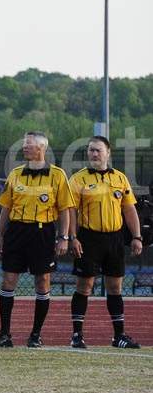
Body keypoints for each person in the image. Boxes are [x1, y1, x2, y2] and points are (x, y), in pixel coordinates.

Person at [0, 131, 75, 349]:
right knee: (8, 281)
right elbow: (6, 208)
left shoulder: (57, 175)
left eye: (29, 144)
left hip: (42, 232)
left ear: (41, 148)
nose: (24, 148)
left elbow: (65, 209)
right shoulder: (15, 174)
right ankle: (5, 334)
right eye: (24, 144)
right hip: (16, 232)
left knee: (42, 282)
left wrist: (63, 237)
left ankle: (36, 334)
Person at [68, 136, 143, 349]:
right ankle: (77, 335)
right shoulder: (78, 179)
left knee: (115, 286)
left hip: (114, 238)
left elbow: (129, 208)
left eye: (98, 150)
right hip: (89, 238)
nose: (93, 154)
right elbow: (71, 211)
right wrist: (73, 237)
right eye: (91, 150)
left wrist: (137, 236)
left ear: (108, 153)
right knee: (85, 285)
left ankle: (119, 336)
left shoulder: (120, 178)